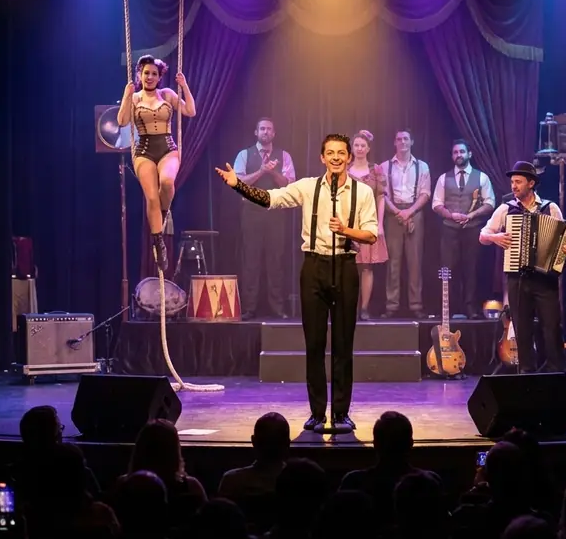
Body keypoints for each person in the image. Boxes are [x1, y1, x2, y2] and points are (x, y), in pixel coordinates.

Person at [215, 134, 378, 430]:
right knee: (314, 345)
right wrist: (238, 184)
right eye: (331, 153)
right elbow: (272, 199)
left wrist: (346, 230)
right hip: (313, 267)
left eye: (342, 153)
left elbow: (372, 234)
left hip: (344, 266)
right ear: (322, 157)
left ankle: (341, 414)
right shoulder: (307, 187)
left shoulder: (362, 192)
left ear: (349, 158)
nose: (337, 158)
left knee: (343, 345)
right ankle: (317, 414)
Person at [479, 161, 566, 373]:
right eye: (512, 182)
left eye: (518, 182)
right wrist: (496, 237)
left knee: (551, 328)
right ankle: (526, 375)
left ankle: (555, 374)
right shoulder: (506, 209)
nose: (513, 186)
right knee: (522, 330)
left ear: (531, 183)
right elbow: (483, 235)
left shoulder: (550, 208)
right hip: (517, 278)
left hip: (545, 279)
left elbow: (564, 240)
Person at [118, 54, 197, 272]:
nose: (150, 77)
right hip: (143, 149)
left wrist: (185, 86)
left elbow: (191, 111)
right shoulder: (134, 98)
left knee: (168, 183)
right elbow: (122, 121)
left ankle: (161, 213)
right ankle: (158, 241)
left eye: (154, 73)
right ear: (140, 75)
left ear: (159, 76)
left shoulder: (167, 94)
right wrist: (127, 95)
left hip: (167, 147)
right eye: (146, 73)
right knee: (151, 196)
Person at [231, 118, 296, 319]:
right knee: (251, 260)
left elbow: (289, 184)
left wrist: (272, 171)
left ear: (274, 134)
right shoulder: (244, 154)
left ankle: (277, 307)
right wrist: (261, 171)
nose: (266, 132)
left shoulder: (284, 156)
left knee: (276, 260)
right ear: (256, 132)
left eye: (269, 129)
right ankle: (249, 308)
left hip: (275, 212)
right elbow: (238, 182)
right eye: (262, 129)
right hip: (251, 212)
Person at [431, 139, 495, 318]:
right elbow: (436, 204)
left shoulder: (482, 177)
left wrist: (472, 216)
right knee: (447, 269)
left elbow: (490, 203)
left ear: (469, 154)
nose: (458, 155)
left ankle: (470, 308)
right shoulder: (444, 178)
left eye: (461, 152)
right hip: (449, 230)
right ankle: (448, 308)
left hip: (473, 229)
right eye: (455, 152)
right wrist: (451, 215)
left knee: (471, 269)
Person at [378, 130, 431, 318]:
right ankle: (392, 306)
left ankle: (416, 305)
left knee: (415, 261)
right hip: (393, 214)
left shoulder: (422, 166)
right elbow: (383, 194)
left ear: (412, 142)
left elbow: (425, 193)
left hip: (414, 212)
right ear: (394, 142)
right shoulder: (385, 166)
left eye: (406, 139)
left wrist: (409, 212)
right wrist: (398, 212)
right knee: (393, 262)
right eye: (399, 139)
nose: (402, 142)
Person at [347, 130, 388, 320]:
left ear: (368, 148)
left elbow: (381, 197)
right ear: (352, 148)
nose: (360, 148)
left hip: (368, 222)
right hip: (347, 223)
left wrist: (379, 224)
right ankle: (347, 307)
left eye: (363, 145)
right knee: (347, 267)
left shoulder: (376, 170)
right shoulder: (344, 169)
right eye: (357, 145)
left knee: (367, 266)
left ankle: (364, 308)